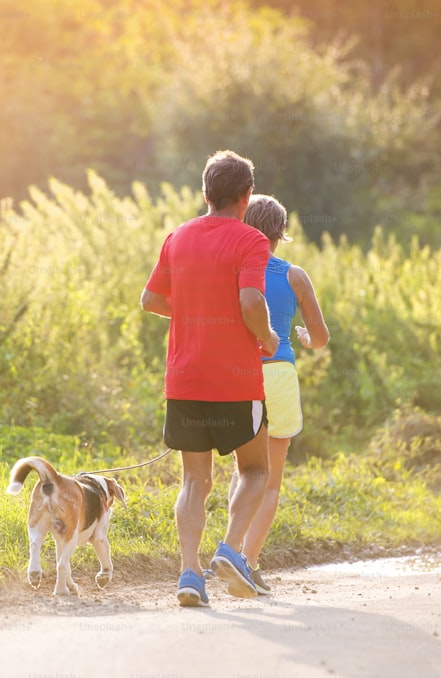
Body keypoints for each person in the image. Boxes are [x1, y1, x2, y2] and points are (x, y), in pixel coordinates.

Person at [140, 150, 279, 607]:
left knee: (194, 481)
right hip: (234, 382)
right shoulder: (252, 240)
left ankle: (189, 574)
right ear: (247, 195)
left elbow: (150, 298)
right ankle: (230, 550)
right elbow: (252, 303)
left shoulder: (177, 238)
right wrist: (269, 338)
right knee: (255, 469)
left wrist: (196, 313)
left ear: (205, 193)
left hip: (184, 380)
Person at [229, 193, 330, 595]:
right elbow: (321, 338)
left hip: (238, 376)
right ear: (281, 233)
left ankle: (228, 551)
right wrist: (304, 338)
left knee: (242, 473)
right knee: (269, 481)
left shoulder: (235, 270)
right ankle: (248, 563)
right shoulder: (295, 276)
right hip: (281, 376)